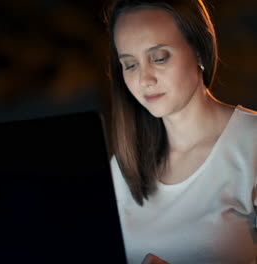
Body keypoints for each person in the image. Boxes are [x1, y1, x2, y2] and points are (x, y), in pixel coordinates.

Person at [104, 0, 257, 263]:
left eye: (159, 58)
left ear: (199, 50)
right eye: (130, 65)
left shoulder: (250, 143)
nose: (144, 79)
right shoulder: (123, 168)